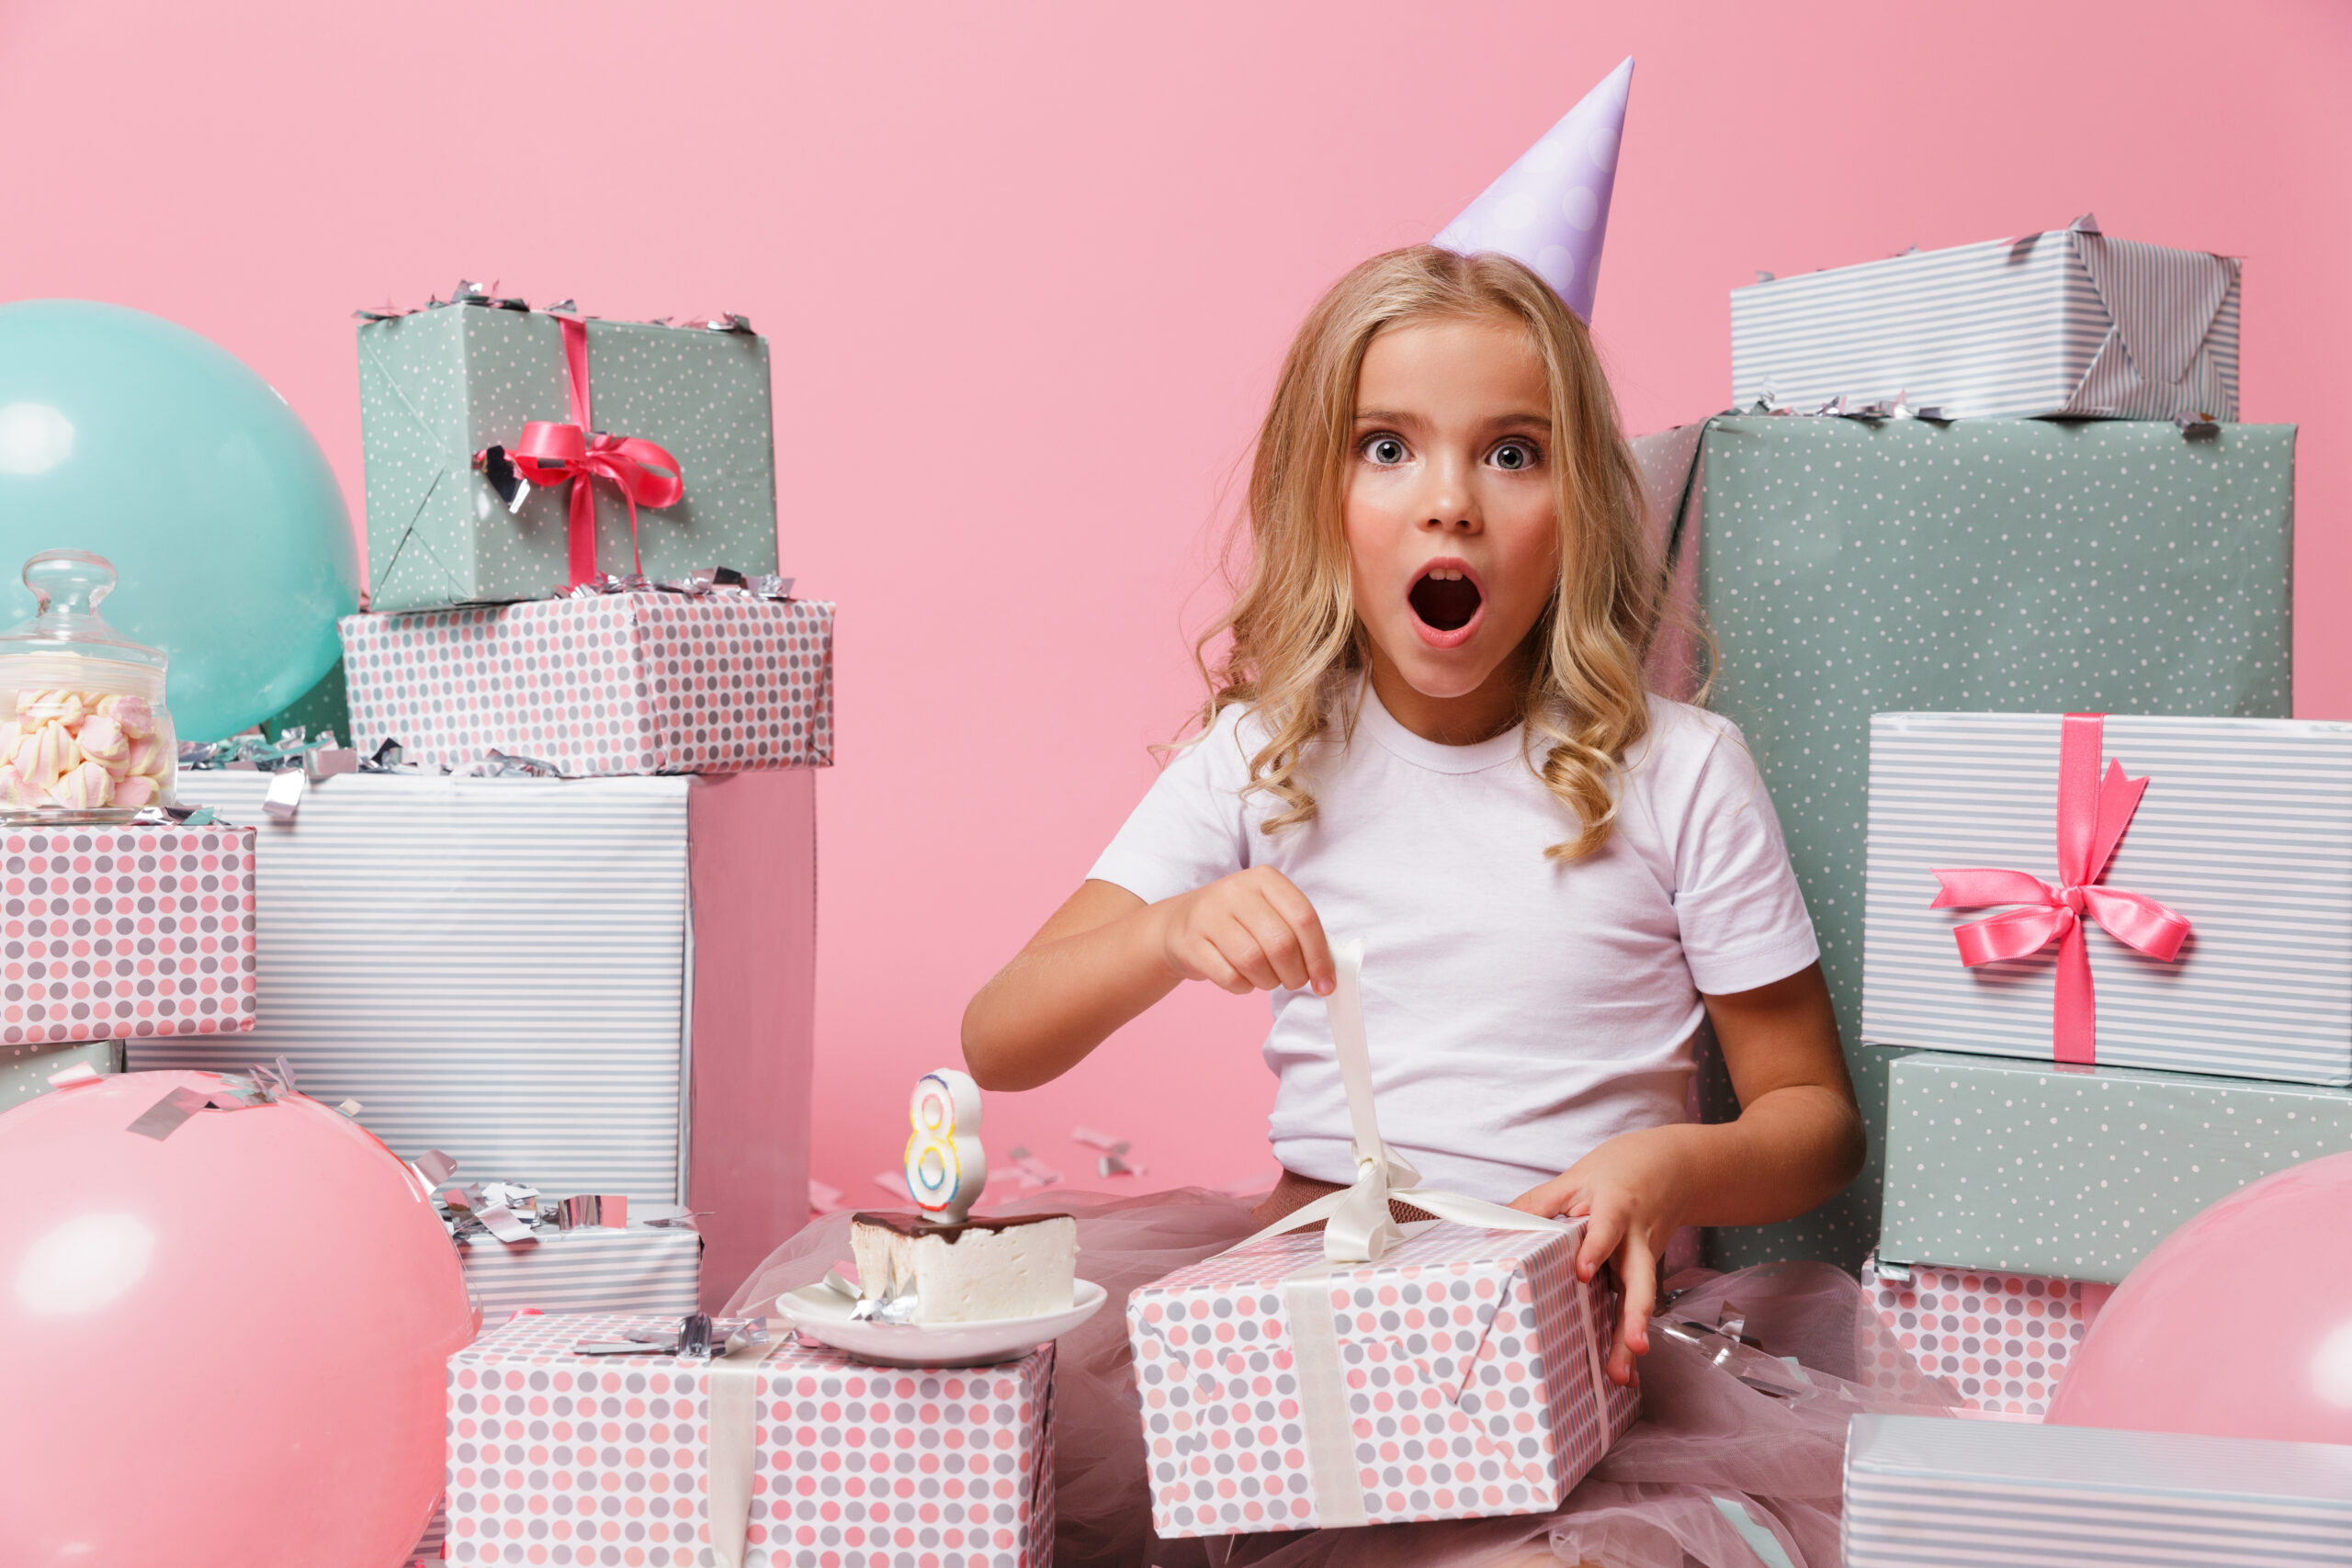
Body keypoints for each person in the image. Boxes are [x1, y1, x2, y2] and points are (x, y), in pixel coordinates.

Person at [733, 245, 1946, 1568]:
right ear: (1325, 495)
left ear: (1583, 501)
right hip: (1301, 1320)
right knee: (959, 1473)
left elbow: (1813, 1122)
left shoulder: (1680, 772)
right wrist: (1161, 935)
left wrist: (1669, 1168)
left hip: (1572, 1347)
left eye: (1511, 453)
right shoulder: (1265, 756)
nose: (1450, 506)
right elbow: (1000, 1036)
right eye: (1388, 449)